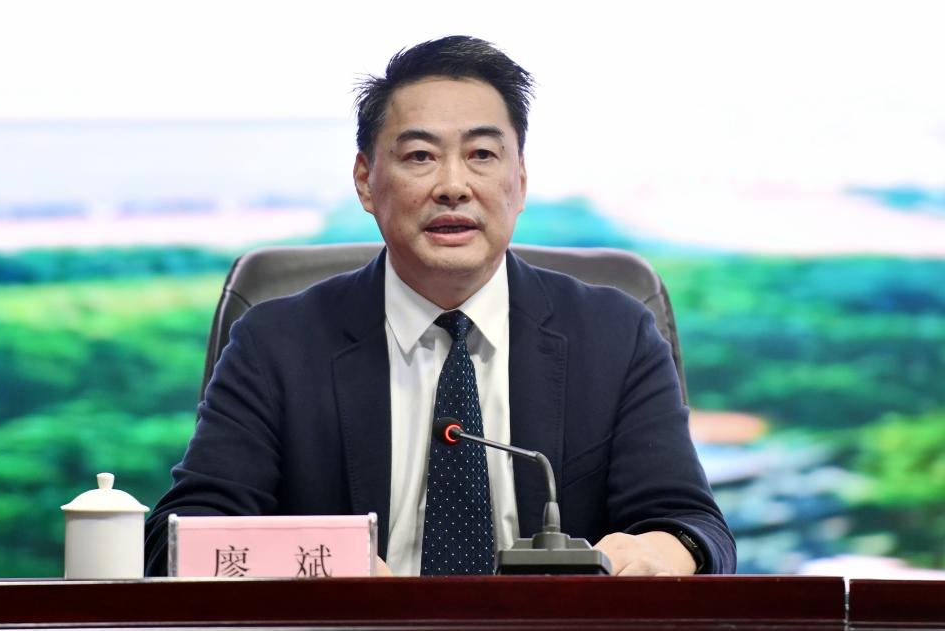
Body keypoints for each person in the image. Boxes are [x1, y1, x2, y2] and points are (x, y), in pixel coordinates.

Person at [144, 36, 735, 576]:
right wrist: (327, 569)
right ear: (366, 181)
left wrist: (660, 551)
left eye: (482, 154)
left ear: (520, 180)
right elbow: (180, 535)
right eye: (420, 156)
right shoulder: (278, 343)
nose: (453, 185)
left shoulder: (613, 336)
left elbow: (692, 524)